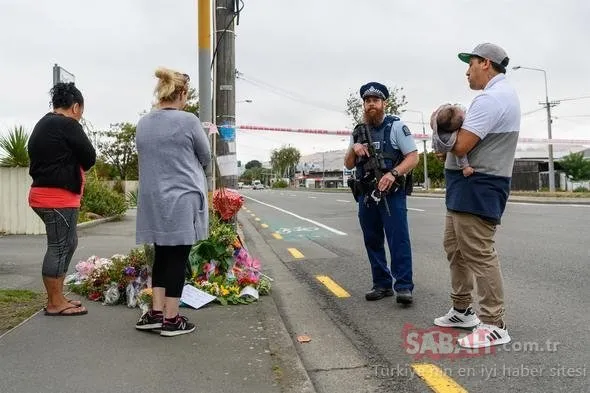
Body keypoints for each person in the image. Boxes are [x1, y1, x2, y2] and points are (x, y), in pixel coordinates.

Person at [433, 43, 520, 349]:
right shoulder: (493, 98)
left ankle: (494, 324)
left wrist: (441, 128)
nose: (466, 71)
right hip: (465, 187)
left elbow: (459, 146)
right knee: (456, 249)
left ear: (485, 63)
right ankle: (461, 310)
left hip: (478, 186)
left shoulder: (490, 100)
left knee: (479, 255)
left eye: (470, 64)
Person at [134, 67, 211, 337]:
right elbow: (205, 156)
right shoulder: (188, 121)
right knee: (178, 256)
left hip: (153, 198)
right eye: (186, 94)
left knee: (162, 254)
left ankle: (155, 313)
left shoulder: (144, 122)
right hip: (181, 196)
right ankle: (172, 319)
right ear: (180, 93)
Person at [344, 82, 419, 304]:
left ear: (383, 103)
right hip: (367, 195)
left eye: (375, 101)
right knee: (372, 239)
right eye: (367, 101)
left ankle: (404, 286)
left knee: (398, 240)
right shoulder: (358, 131)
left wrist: (393, 173)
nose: (371, 105)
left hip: (391, 193)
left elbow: (413, 157)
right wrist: (354, 148)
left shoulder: (396, 126)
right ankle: (382, 284)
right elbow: (348, 164)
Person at [28, 82, 96, 316]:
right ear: (76, 107)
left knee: (68, 243)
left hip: (42, 194)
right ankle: (55, 303)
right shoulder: (68, 124)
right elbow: (89, 157)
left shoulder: (43, 123)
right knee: (59, 247)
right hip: (58, 198)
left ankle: (58, 296)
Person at [430, 104, 474, 177]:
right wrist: (465, 167)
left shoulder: (437, 119)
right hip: (456, 171)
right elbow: (461, 155)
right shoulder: (452, 139)